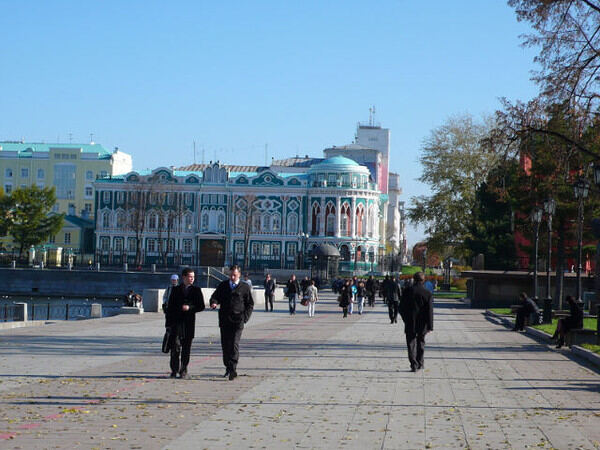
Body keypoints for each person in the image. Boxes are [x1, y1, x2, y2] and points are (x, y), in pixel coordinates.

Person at [210, 265, 254, 381]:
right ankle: (228, 367)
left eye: (234, 275)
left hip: (238, 320)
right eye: (230, 275)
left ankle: (233, 368)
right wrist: (213, 302)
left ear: (239, 274)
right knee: (225, 345)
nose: (232, 277)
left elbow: (250, 304)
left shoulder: (244, 287)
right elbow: (215, 297)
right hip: (225, 320)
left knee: (234, 343)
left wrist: (245, 318)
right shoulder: (223, 285)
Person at [165, 268, 205, 379]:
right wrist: (168, 324)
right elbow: (170, 307)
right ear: (184, 277)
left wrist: (190, 308)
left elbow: (201, 306)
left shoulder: (196, 290)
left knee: (186, 348)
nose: (192, 279)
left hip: (188, 323)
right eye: (190, 277)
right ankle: (174, 369)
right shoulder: (176, 290)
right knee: (175, 347)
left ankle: (183, 370)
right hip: (176, 323)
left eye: (193, 277)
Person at [400, 272, 433, 372]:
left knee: (411, 343)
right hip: (422, 322)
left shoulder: (407, 291)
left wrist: (405, 319)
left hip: (410, 321)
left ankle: (413, 363)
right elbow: (430, 311)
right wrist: (430, 325)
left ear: (414, 279)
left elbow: (401, 308)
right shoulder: (427, 293)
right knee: (421, 342)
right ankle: (420, 362)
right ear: (423, 280)